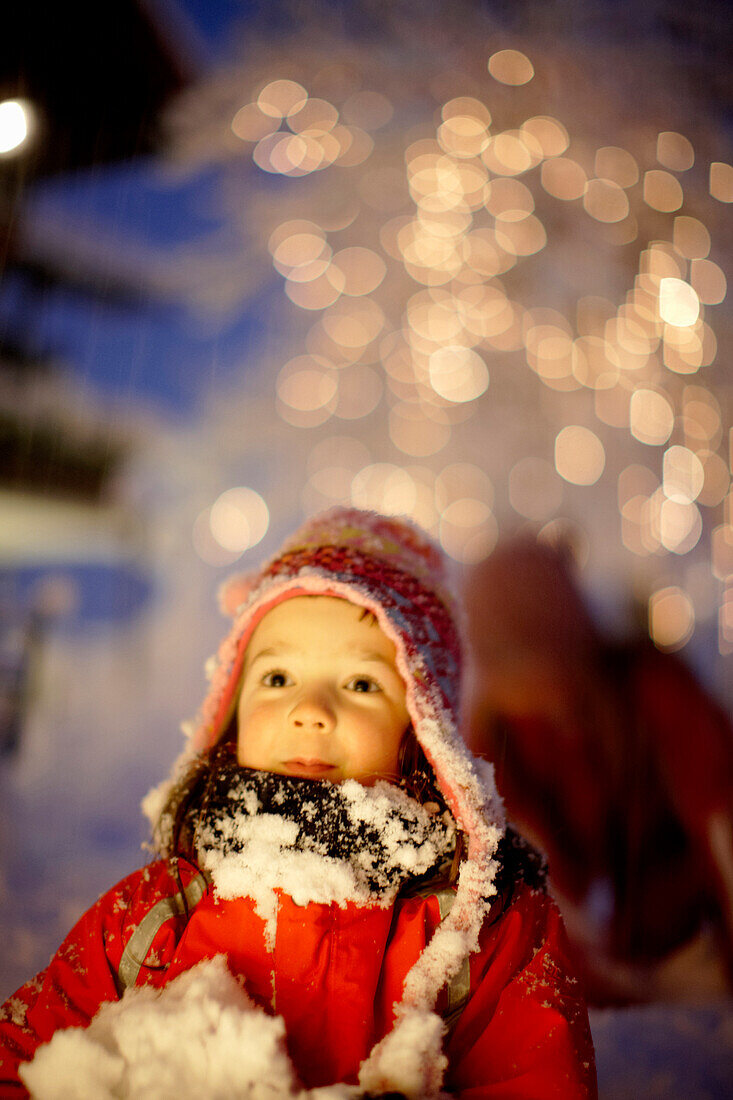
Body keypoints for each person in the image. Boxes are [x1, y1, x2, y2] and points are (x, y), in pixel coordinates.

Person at [0, 508, 596, 1098]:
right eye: (278, 678)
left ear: (423, 731)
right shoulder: (157, 916)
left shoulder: (483, 935)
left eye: (361, 684)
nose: (309, 709)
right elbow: (24, 1061)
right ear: (232, 716)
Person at [465, 533, 733, 1006]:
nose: (540, 695)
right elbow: (532, 886)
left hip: (702, 938)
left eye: (544, 664)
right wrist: (611, 981)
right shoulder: (496, 735)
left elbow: (721, 815)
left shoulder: (651, 688)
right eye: (516, 675)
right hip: (628, 968)